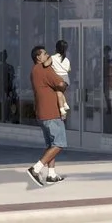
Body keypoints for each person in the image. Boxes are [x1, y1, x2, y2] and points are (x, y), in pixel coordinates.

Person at [26, 45, 67, 186]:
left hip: (42, 113)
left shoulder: (34, 71)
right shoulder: (44, 69)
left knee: (51, 145)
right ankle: (36, 169)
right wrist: (64, 84)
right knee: (59, 144)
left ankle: (51, 174)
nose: (47, 55)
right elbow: (60, 83)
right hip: (51, 113)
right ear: (38, 57)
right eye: (45, 54)